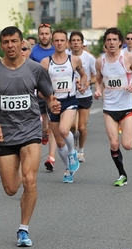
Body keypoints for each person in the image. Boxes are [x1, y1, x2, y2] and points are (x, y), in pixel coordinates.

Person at [0, 26, 61, 247]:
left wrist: (53, 103)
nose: (10, 46)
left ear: (22, 43)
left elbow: (48, 94)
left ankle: (23, 229)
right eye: (5, 42)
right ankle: (22, 220)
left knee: (30, 180)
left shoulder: (34, 69)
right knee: (11, 188)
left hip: (30, 130)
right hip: (4, 134)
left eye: (14, 41)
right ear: (1, 45)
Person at [94, 27, 132, 187]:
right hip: (109, 107)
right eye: (108, 40)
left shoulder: (127, 57)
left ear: (120, 42)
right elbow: (99, 80)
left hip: (126, 106)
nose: (112, 42)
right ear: (105, 43)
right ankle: (122, 174)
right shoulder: (100, 61)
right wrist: (98, 91)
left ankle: (131, 138)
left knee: (127, 145)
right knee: (114, 143)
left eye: (115, 39)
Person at [40, 29, 87, 183]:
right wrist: (48, 98)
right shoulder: (46, 62)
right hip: (53, 103)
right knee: (59, 142)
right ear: (52, 43)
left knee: (63, 130)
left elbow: (84, 75)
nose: (59, 43)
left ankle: (72, 152)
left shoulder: (74, 60)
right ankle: (69, 169)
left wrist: (82, 85)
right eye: (56, 40)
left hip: (70, 101)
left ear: (66, 42)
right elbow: (39, 87)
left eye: (62, 40)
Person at [29, 22, 58, 172]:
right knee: (44, 125)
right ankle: (44, 131)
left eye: (47, 33)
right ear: (38, 35)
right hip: (38, 93)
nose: (44, 36)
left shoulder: (57, 49)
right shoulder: (33, 51)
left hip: (55, 92)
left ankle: (51, 157)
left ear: (51, 34)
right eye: (42, 34)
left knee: (53, 124)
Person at [68, 31, 96, 163]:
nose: (75, 43)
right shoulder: (65, 57)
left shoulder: (89, 58)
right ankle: (73, 141)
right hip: (70, 95)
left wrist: (87, 83)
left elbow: (96, 76)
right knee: (72, 126)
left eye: (78, 40)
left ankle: (81, 150)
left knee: (82, 127)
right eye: (73, 40)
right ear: (70, 43)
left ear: (82, 42)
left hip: (85, 95)